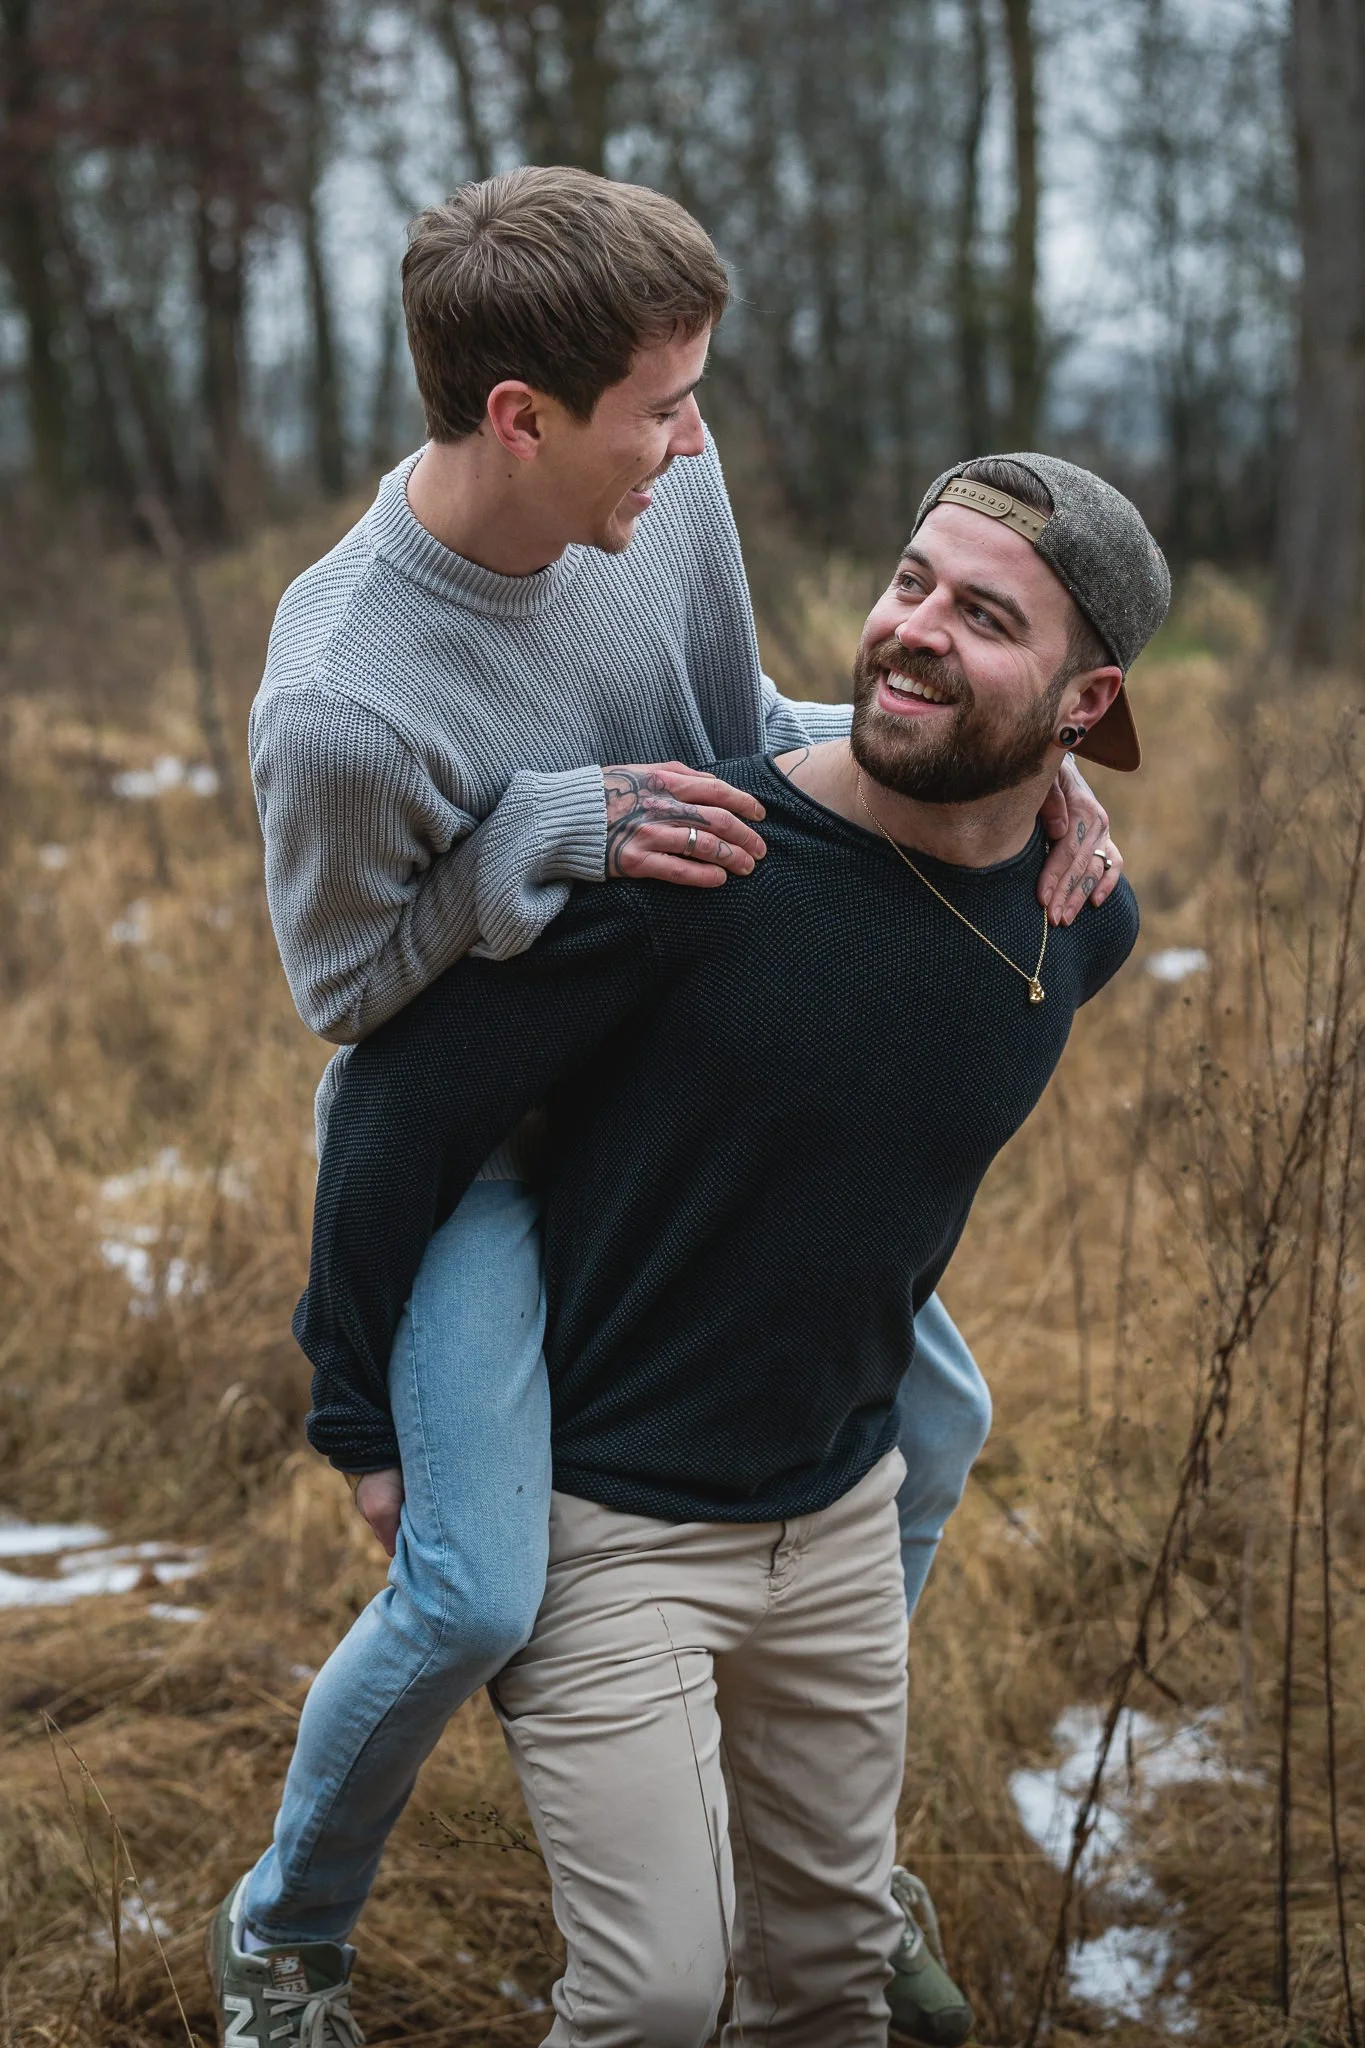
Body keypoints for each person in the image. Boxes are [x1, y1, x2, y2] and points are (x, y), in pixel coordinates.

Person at [213, 165, 1127, 2046]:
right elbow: (349, 1005)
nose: (699, 439)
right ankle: (289, 1933)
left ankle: (833, 1870)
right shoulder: (345, 700)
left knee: (933, 1424)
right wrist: (515, 850)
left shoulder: (662, 483)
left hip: (676, 1047)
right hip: (473, 1118)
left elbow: (741, 739)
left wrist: (1031, 781)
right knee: (472, 1590)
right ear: (519, 419)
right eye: (665, 405)